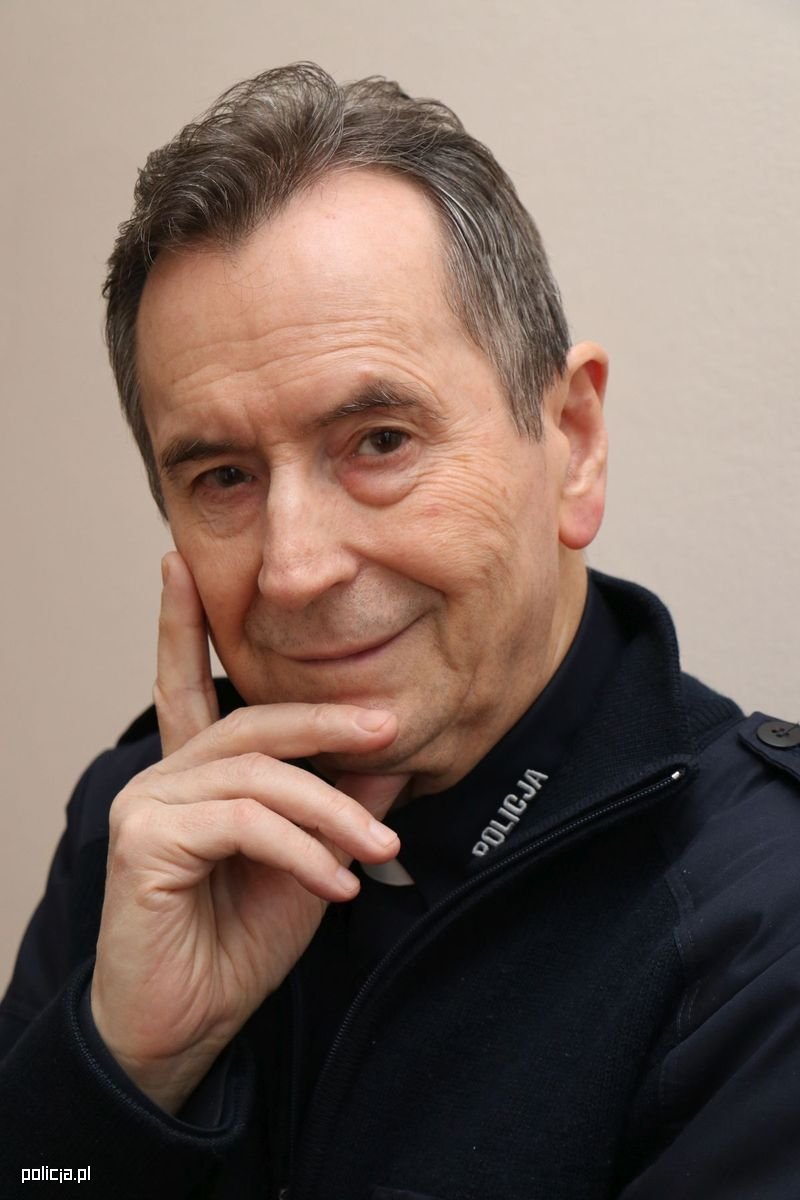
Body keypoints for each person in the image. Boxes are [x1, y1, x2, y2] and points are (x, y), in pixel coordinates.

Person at [2, 62, 800, 1200]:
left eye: (379, 442)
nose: (294, 569)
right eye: (223, 477)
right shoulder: (138, 835)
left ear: (572, 443)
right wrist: (122, 1073)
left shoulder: (762, 919)